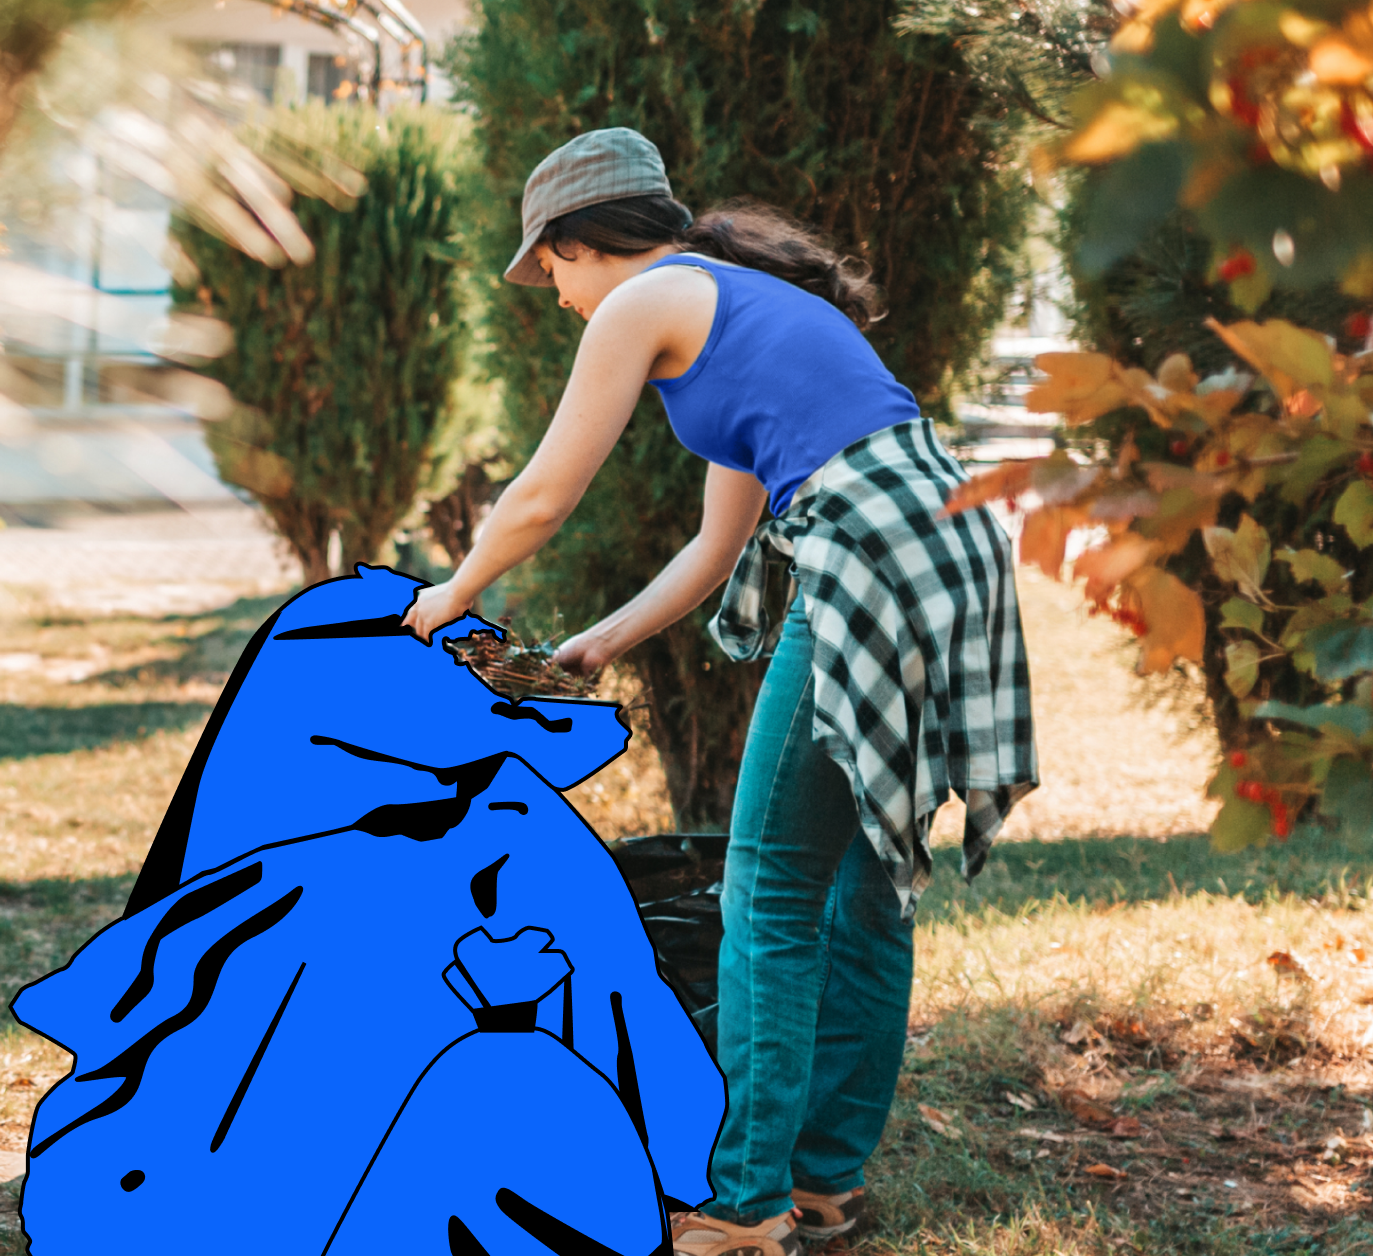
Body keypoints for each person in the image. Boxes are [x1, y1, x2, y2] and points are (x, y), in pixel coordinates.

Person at [402, 128, 1041, 1256]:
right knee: (861, 882)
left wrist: (452, 589)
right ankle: (824, 1185)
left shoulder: (642, 303)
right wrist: (598, 643)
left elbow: (547, 492)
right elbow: (713, 549)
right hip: (948, 543)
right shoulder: (736, 308)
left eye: (548, 269)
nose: (552, 295)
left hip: (870, 555)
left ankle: (748, 1203)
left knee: (769, 885)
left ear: (576, 243)